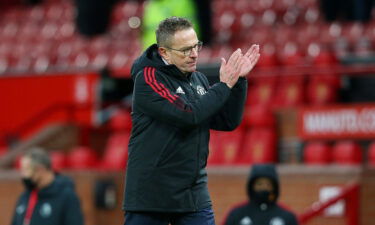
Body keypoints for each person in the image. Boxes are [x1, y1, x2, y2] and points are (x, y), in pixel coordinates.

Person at [123, 16, 260, 225]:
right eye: (185, 50)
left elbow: (227, 121)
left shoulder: (198, 79)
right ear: (164, 52)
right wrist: (223, 86)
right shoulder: (148, 79)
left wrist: (238, 82)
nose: (194, 54)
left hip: (193, 195)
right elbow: (188, 114)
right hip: (150, 196)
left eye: (196, 46)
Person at [10, 148, 84, 225]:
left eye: (26, 170)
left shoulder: (67, 196)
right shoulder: (24, 196)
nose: (23, 175)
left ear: (40, 170)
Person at [223, 164, 299, 225]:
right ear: (252, 186)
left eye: (268, 184)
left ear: (274, 188)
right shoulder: (237, 214)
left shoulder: (286, 216)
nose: (263, 188)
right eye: (259, 184)